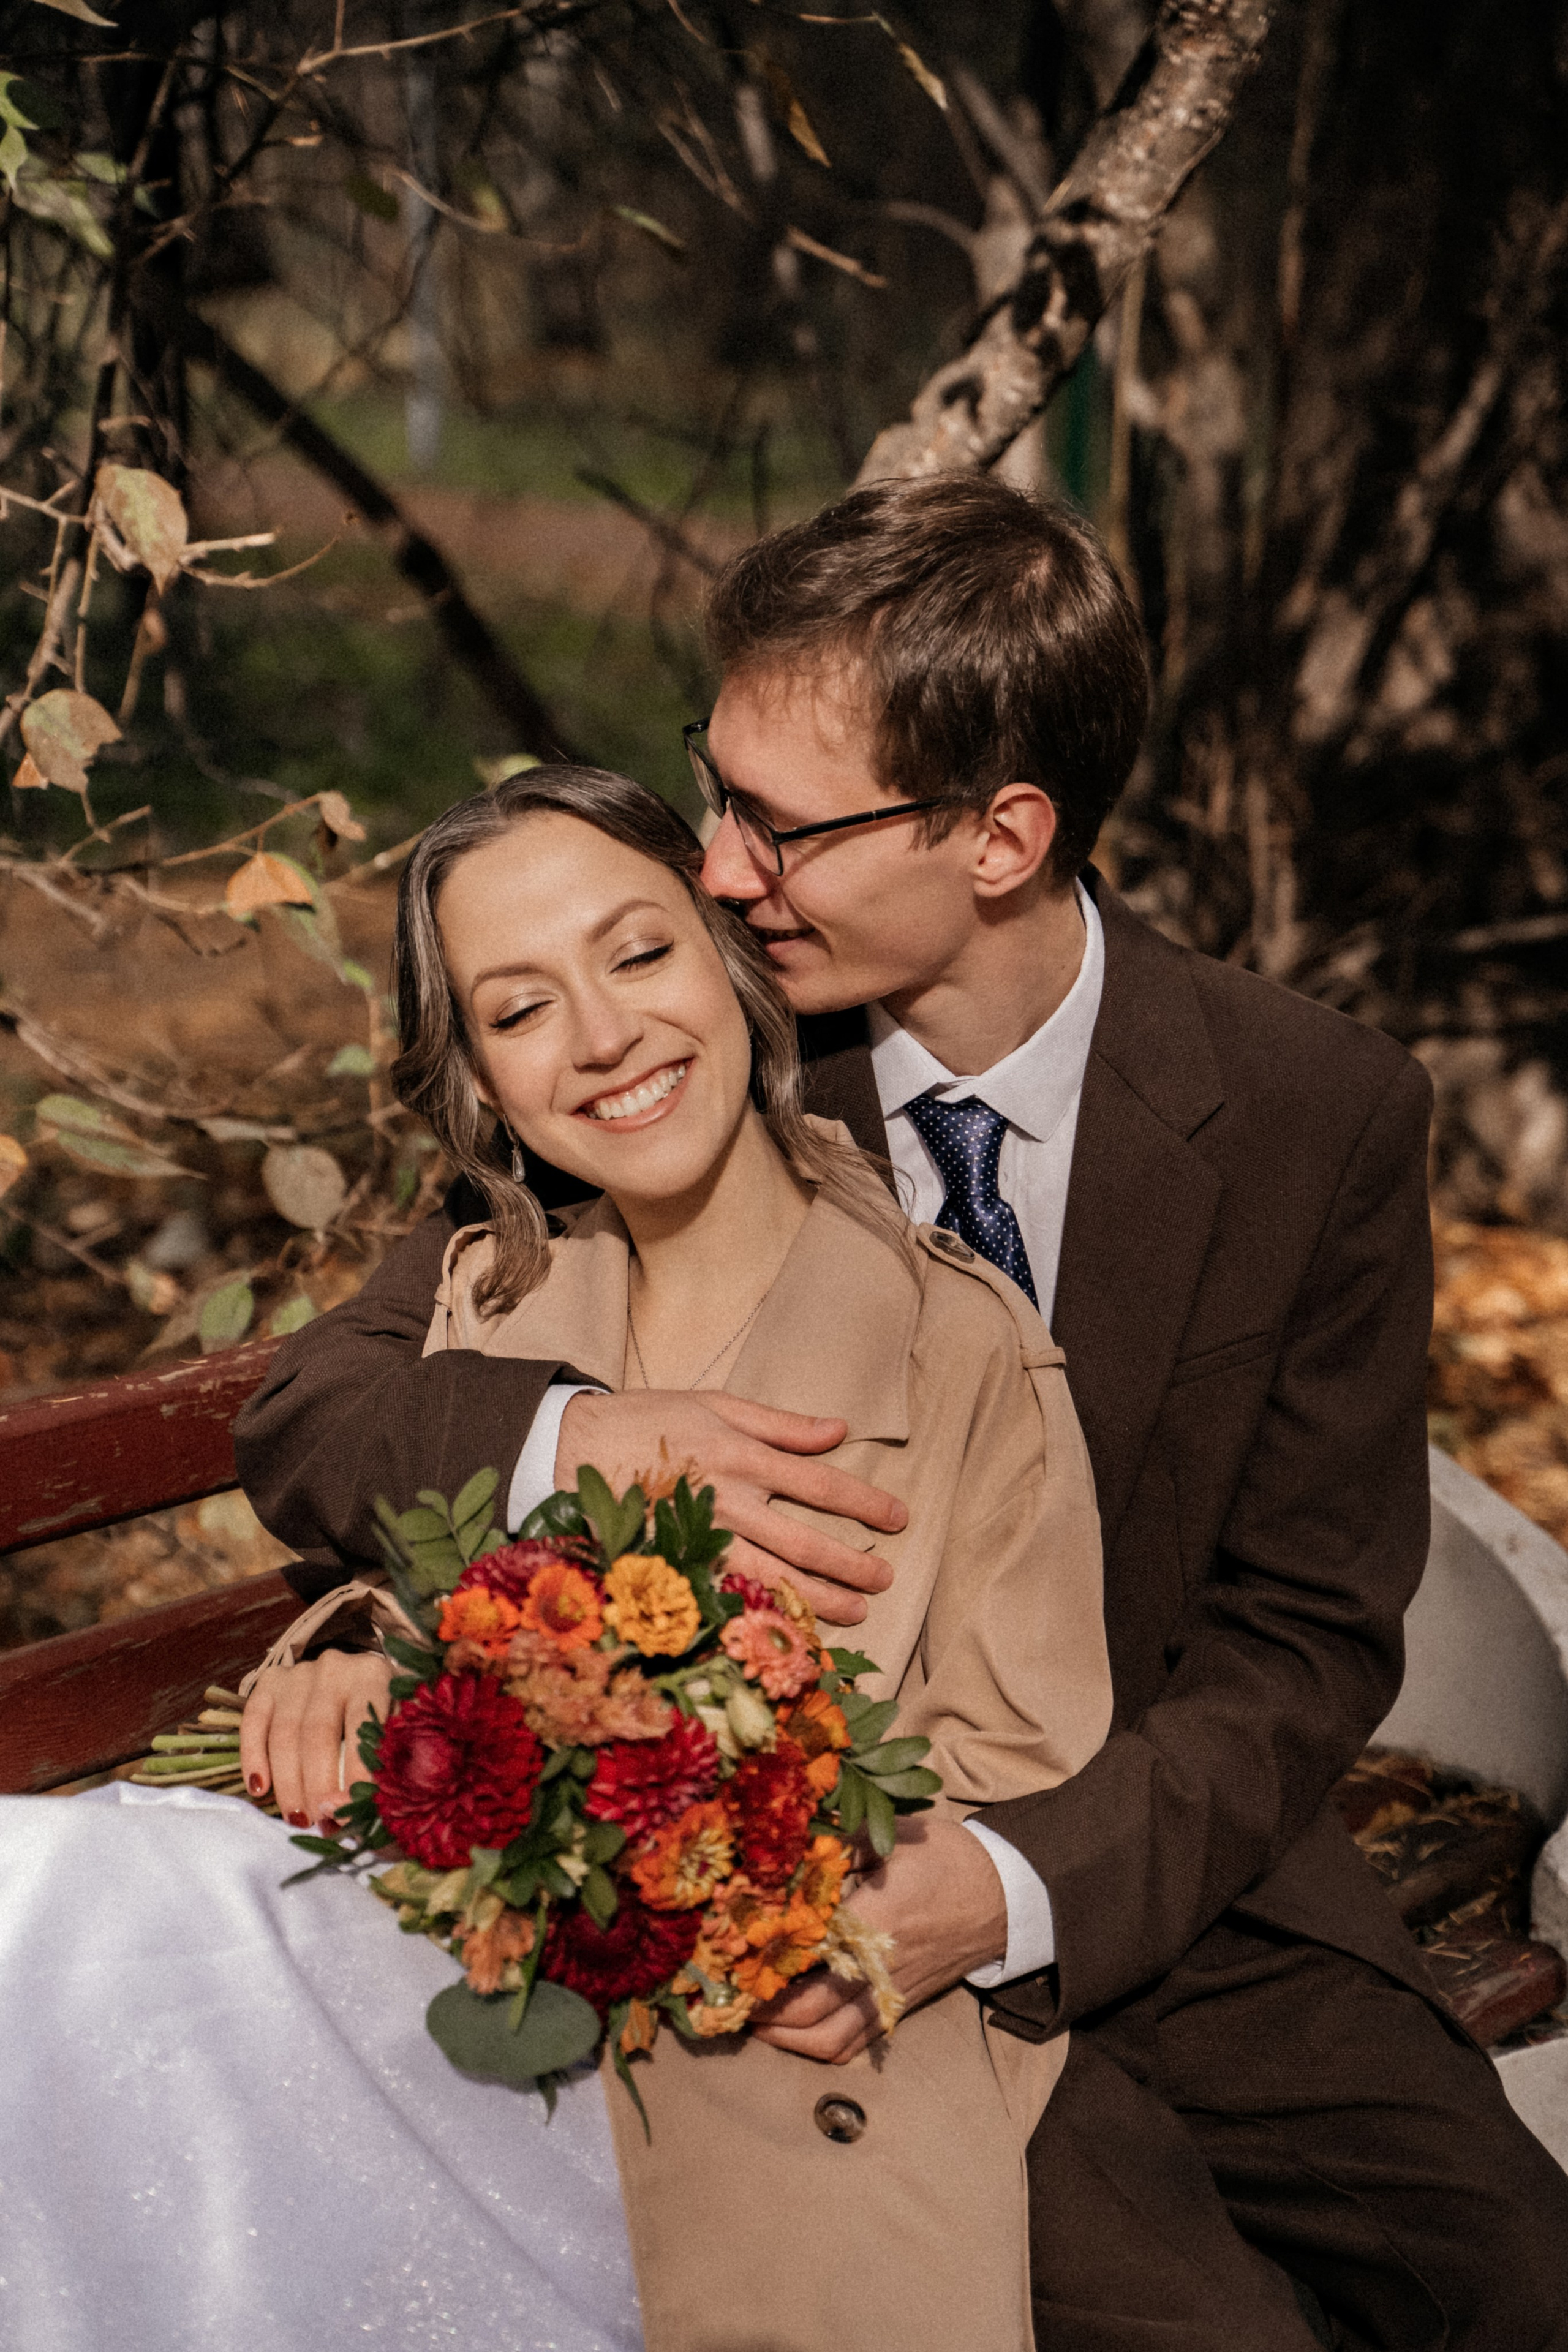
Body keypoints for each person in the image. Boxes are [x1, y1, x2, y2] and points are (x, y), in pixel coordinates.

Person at [237, 474, 1568, 2350]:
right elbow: (326, 1402)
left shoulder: (1312, 1112)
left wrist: (1009, 1890)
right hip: (786, 1938)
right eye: (715, 796)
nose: (713, 870)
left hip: (1168, 1886)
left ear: (1000, 835)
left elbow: (1301, 1639)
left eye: (776, 827)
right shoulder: (698, 1051)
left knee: (1517, 2276)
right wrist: (568, 1441)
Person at [239, 763, 1112, 2352]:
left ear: (730, 960)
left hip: (796, 2044)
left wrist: (790, 1870)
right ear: (479, 1078)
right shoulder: (489, 1306)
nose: (602, 1038)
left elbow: (1027, 1755)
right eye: (520, 1008)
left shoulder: (959, 1341)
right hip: (472, 2025)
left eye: (638, 955)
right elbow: (400, 1555)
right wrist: (366, 1659)